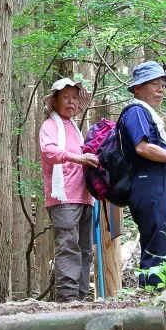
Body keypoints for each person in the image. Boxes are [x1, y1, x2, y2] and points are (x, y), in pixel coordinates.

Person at [118, 61, 166, 289]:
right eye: (154, 84)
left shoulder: (146, 113)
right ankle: (153, 300)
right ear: (137, 88)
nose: (160, 89)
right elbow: (142, 148)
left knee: (163, 242)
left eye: (163, 85)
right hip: (148, 184)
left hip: (158, 184)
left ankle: (155, 297)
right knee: (158, 245)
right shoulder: (136, 111)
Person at [40, 78, 100, 301]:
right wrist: (78, 158)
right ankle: (67, 299)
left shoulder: (76, 129)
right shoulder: (50, 126)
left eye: (75, 98)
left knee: (85, 249)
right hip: (63, 198)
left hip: (85, 198)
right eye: (65, 97)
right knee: (68, 247)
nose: (71, 102)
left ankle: (81, 297)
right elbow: (49, 151)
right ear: (54, 101)